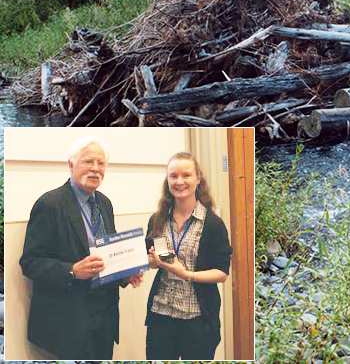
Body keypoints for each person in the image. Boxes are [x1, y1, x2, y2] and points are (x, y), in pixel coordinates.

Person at [19, 136, 143, 359]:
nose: (95, 169)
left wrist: (125, 274)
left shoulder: (105, 203)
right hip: (68, 321)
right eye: (88, 162)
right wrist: (73, 271)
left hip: (104, 319)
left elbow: (109, 254)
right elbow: (30, 263)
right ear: (71, 165)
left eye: (101, 163)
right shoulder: (49, 204)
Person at [145, 152, 232, 359]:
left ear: (198, 178)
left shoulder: (213, 224)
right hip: (161, 317)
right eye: (173, 176)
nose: (179, 181)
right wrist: (152, 261)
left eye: (186, 175)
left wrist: (186, 274)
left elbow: (222, 273)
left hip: (198, 321)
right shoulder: (157, 219)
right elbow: (149, 261)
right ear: (168, 181)